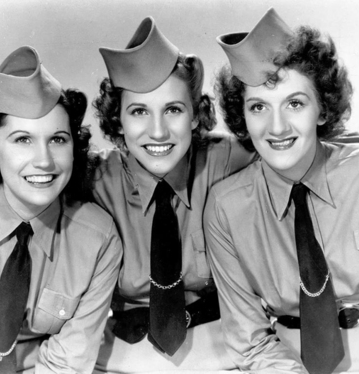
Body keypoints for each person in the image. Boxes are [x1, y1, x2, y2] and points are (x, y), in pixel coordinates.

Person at [204, 8, 359, 374]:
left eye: (295, 103)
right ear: (241, 116)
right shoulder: (226, 208)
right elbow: (249, 341)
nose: (277, 127)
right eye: (258, 106)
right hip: (285, 363)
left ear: (322, 109)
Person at [89, 16, 258, 373]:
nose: (158, 131)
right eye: (138, 111)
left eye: (173, 110)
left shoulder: (227, 159)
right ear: (118, 121)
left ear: (196, 116)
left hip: (220, 348)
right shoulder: (93, 181)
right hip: (123, 354)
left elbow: (309, 153)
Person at [0, 46, 122, 374]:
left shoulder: (99, 238)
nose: (44, 161)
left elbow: (69, 361)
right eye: (23, 139)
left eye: (58, 140)